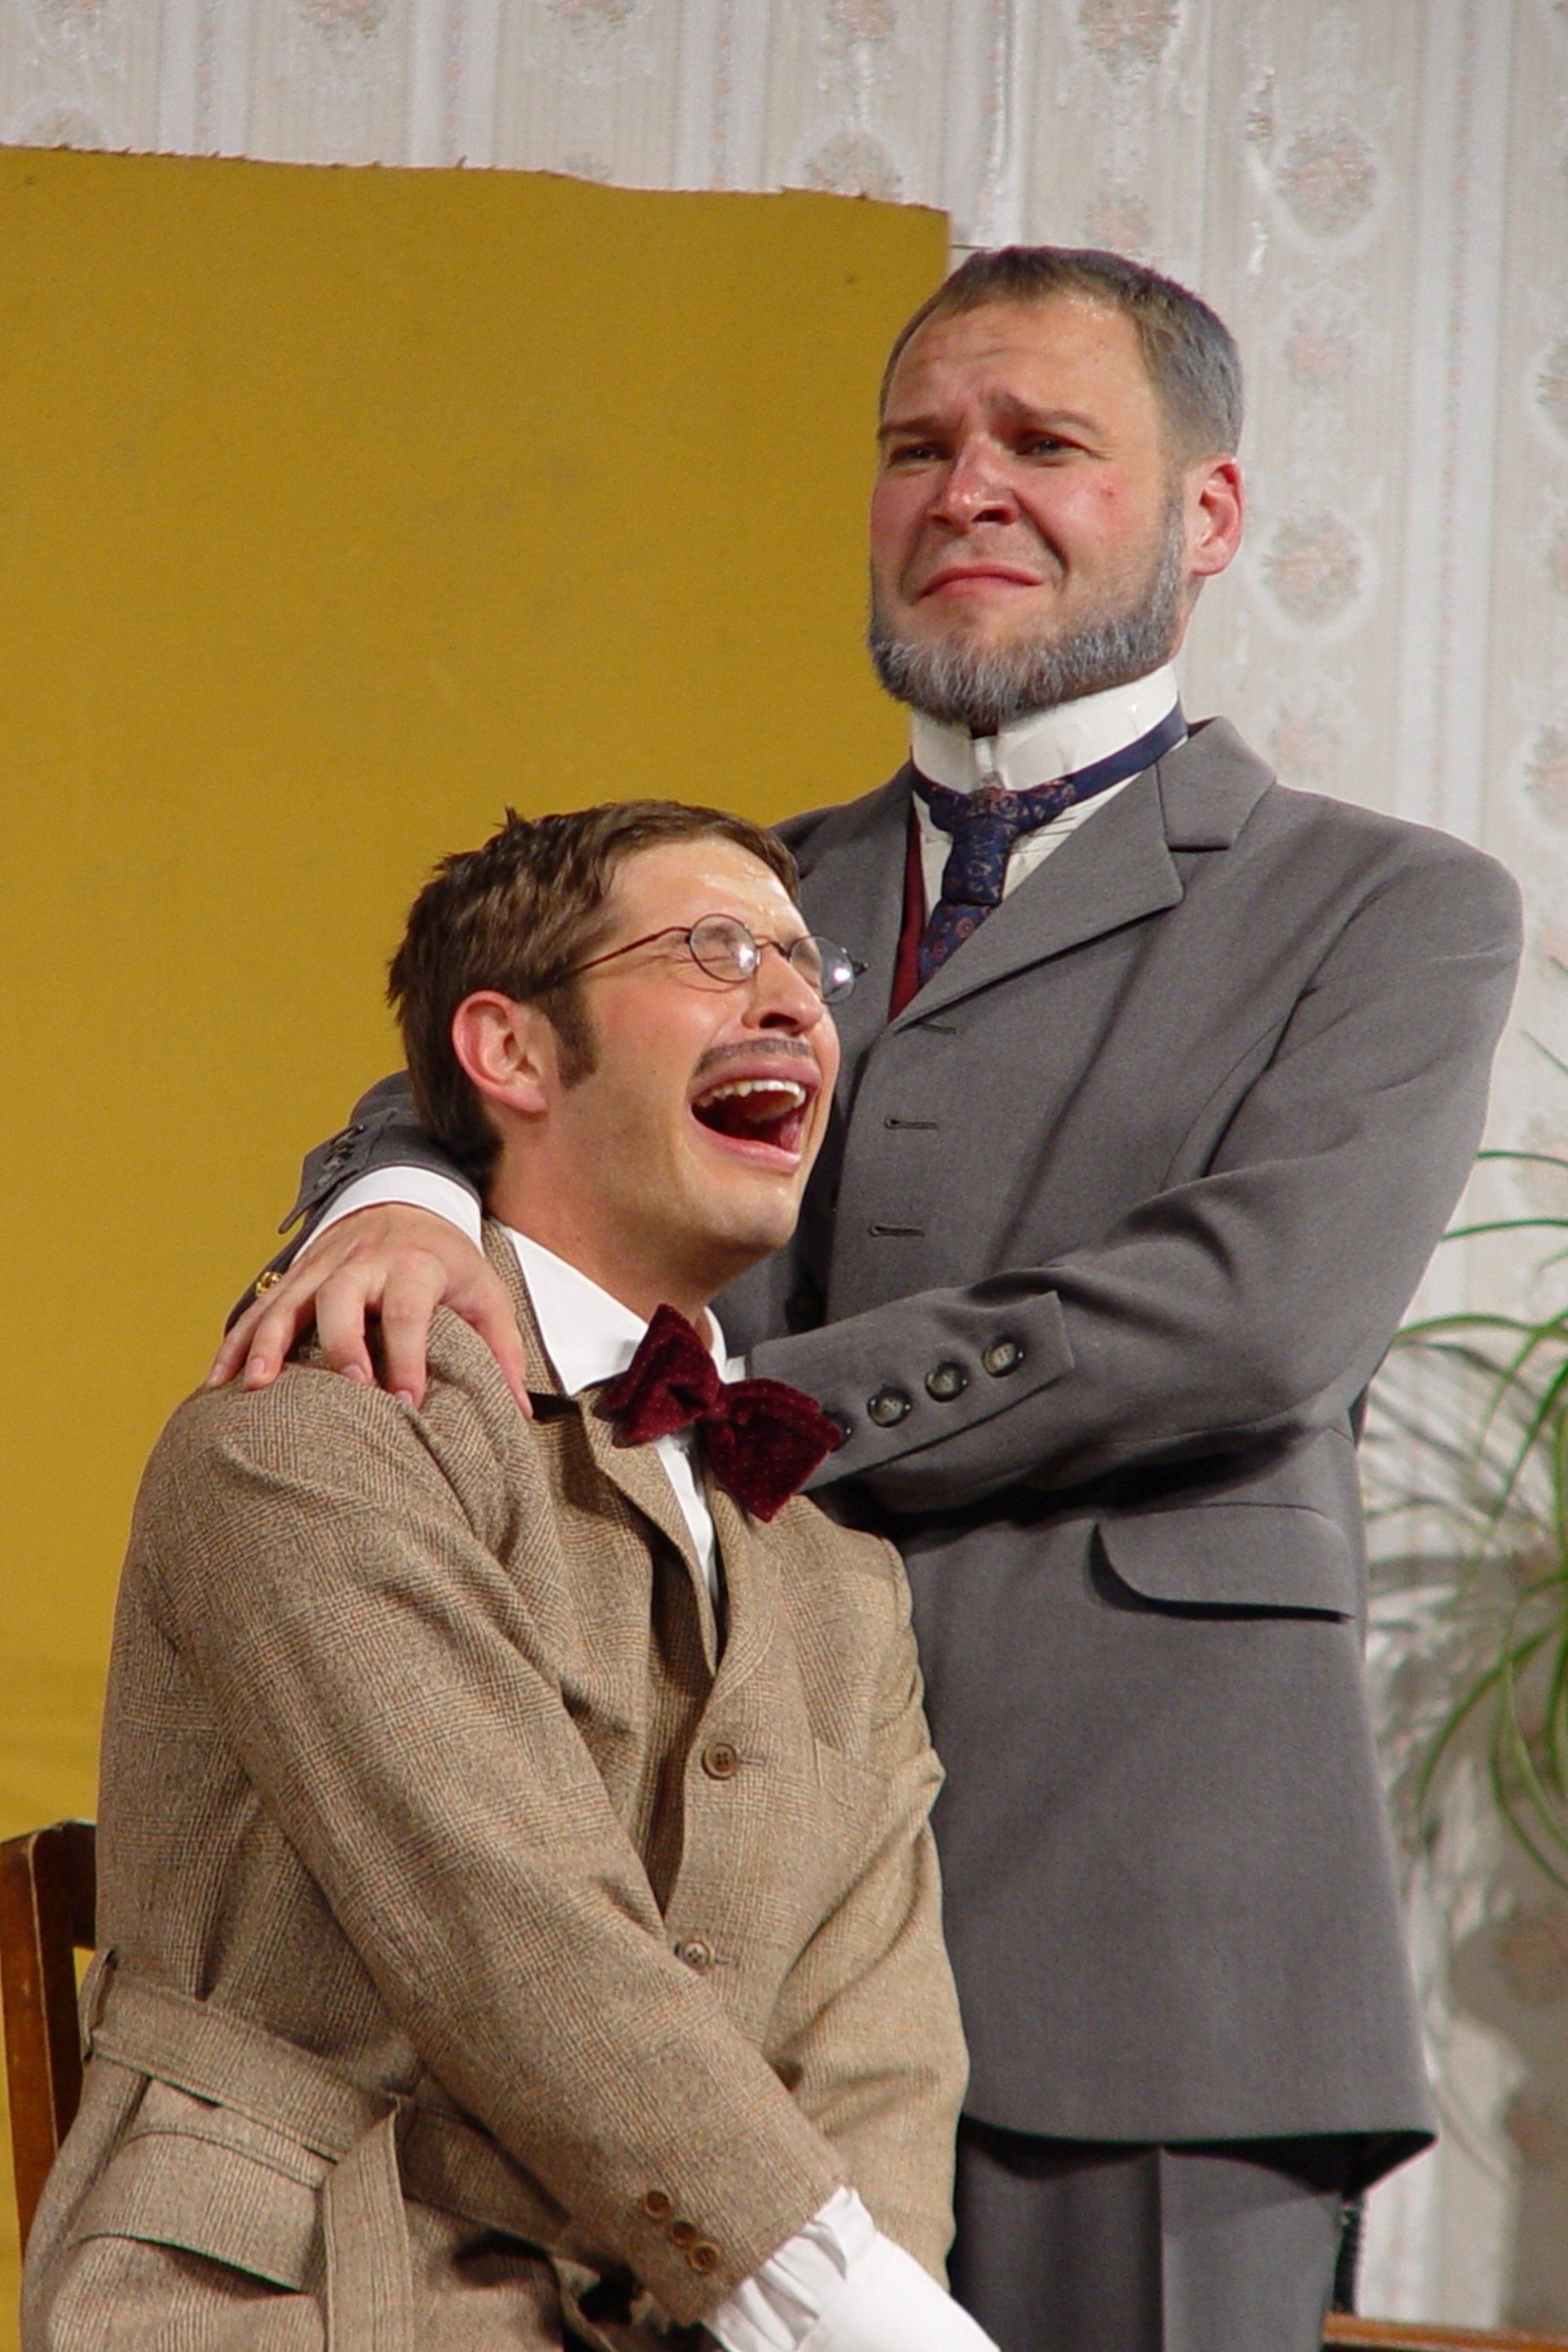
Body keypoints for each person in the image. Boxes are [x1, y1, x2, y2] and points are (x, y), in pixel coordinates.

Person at [211, 248, 1526, 2352]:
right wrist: (396, 1190)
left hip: (1156, 1954)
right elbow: (485, 1060)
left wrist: (713, 1412)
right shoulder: (746, 895)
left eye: (1044, 443)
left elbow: (1255, 1313)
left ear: (1207, 515)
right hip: (707, 1965)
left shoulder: (1393, 907)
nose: (966, 488)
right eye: (919, 447)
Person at [24, 802, 1000, 2352]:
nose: (793, 1005)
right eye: (714, 950)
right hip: (300, 2303)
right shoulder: (323, 1435)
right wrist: (860, 2320)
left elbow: (879, 2054)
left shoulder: (835, 1579)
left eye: (807, 967)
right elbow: (509, 1927)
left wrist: (885, 2320)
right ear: (512, 1053)